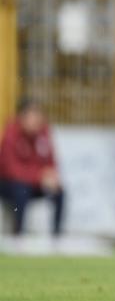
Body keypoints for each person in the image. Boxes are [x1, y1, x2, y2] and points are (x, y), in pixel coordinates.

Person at [0, 99, 64, 237]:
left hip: (34, 183)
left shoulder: (44, 132)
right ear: (22, 118)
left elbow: (51, 161)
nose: (37, 119)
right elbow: (11, 169)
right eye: (33, 115)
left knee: (59, 191)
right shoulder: (11, 133)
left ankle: (57, 236)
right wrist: (39, 177)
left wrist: (51, 176)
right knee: (20, 189)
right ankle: (18, 236)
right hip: (8, 184)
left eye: (39, 115)